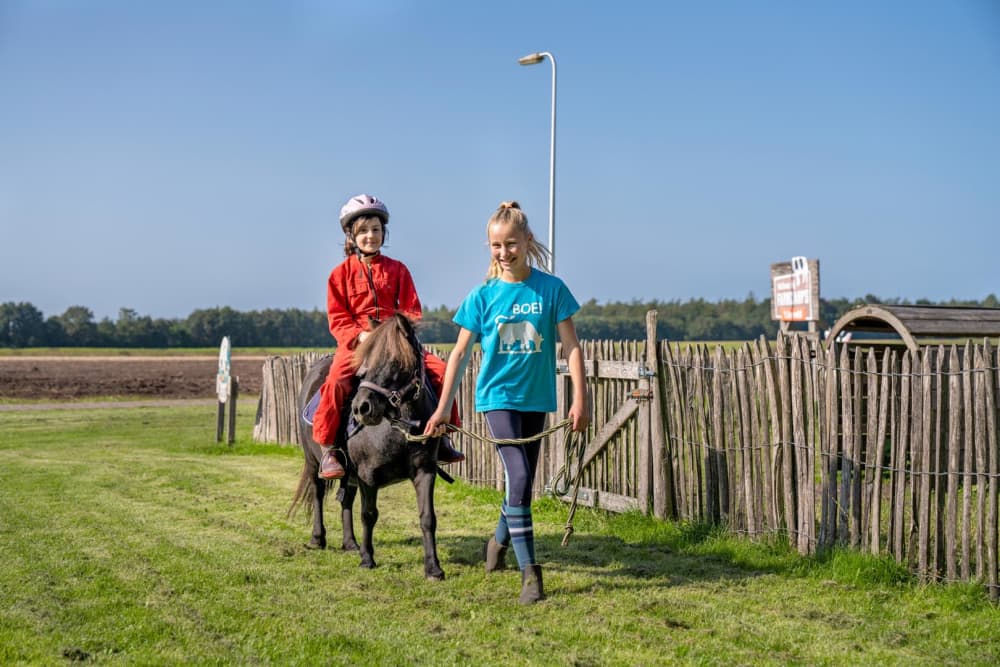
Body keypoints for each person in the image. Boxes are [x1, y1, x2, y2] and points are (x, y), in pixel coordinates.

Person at [423, 200, 589, 604]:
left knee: (524, 483)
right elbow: (459, 355)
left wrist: (580, 399)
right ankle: (531, 574)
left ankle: (497, 542)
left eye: (510, 244)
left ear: (527, 241)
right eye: (496, 246)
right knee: (517, 476)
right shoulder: (482, 297)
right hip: (496, 397)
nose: (503, 252)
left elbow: (571, 348)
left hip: (538, 399)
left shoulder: (552, 289)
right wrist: (443, 408)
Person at [312, 193, 464, 480]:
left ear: (384, 233)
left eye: (376, 230)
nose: (371, 236)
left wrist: (398, 333)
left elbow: (412, 310)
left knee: (443, 372)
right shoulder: (339, 276)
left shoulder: (398, 270)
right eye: (364, 231)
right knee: (334, 383)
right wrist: (360, 337)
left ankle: (444, 435)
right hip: (359, 346)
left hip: (398, 345)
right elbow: (338, 319)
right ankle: (329, 447)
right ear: (351, 235)